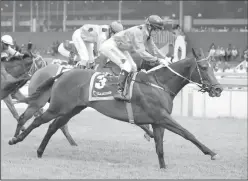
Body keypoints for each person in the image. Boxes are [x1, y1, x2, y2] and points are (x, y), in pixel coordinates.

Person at [99, 15, 167, 101]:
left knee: (134, 67)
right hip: (111, 46)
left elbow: (153, 49)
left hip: (120, 47)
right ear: (149, 27)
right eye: (156, 30)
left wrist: (166, 58)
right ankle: (118, 92)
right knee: (127, 66)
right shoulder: (138, 32)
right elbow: (141, 52)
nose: (158, 32)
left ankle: (129, 90)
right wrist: (158, 60)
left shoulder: (147, 34)